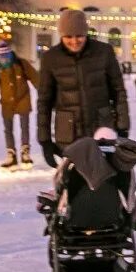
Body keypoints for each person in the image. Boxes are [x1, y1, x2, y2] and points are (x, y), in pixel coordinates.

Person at [38, 9, 130, 169]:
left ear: (86, 33)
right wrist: (45, 140)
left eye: (79, 35)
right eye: (68, 36)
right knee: (73, 184)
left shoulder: (103, 52)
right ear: (61, 35)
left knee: (106, 179)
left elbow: (118, 91)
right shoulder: (50, 58)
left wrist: (122, 126)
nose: (74, 41)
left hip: (101, 130)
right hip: (68, 133)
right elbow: (44, 101)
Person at [0, 40, 39, 169]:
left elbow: (36, 79)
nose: (4, 60)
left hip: (23, 100)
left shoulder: (21, 64)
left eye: (6, 57)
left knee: (24, 127)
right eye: (1, 57)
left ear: (10, 55)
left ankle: (25, 153)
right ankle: (11, 155)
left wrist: (44, 94)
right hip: (6, 103)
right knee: (8, 130)